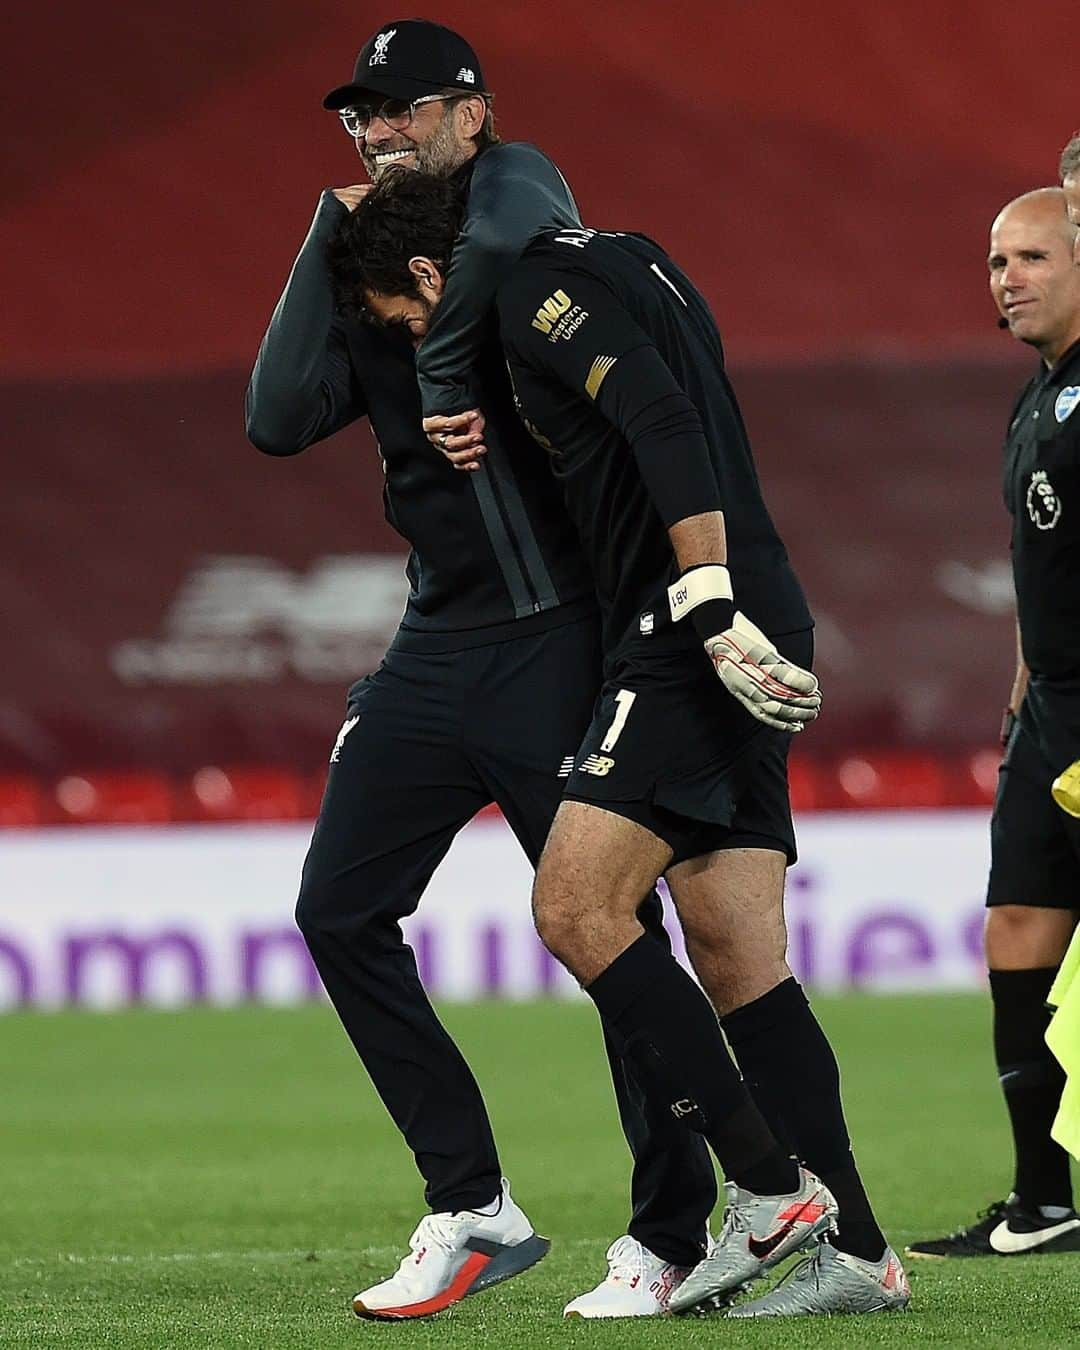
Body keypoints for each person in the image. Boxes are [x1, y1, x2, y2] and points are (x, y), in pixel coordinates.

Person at [330, 172, 911, 1319]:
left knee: (576, 912)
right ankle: (860, 1254)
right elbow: (672, 390)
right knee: (740, 955)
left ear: (435, 279)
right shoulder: (630, 251)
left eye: (407, 322)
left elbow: (658, 416)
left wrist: (696, 588)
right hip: (756, 605)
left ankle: (765, 1190)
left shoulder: (531, 294)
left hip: (682, 627)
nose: (416, 346)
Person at [246, 18, 716, 1321]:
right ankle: (473, 1204)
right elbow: (278, 418)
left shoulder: (518, 200)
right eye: (362, 118)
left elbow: (522, 197)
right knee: (336, 910)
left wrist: (446, 343)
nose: (380, 133)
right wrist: (322, 222)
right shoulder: (366, 251)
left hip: (557, 635)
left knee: (604, 927)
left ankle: (671, 1230)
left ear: (472, 112)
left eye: (403, 111)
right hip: (435, 642)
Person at [907, 188, 1080, 1260]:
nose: (1006, 277)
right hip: (1052, 714)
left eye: (1030, 258)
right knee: (1016, 931)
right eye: (994, 261)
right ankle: (1041, 1197)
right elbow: (1041, 566)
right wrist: (1023, 683)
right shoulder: (1036, 399)